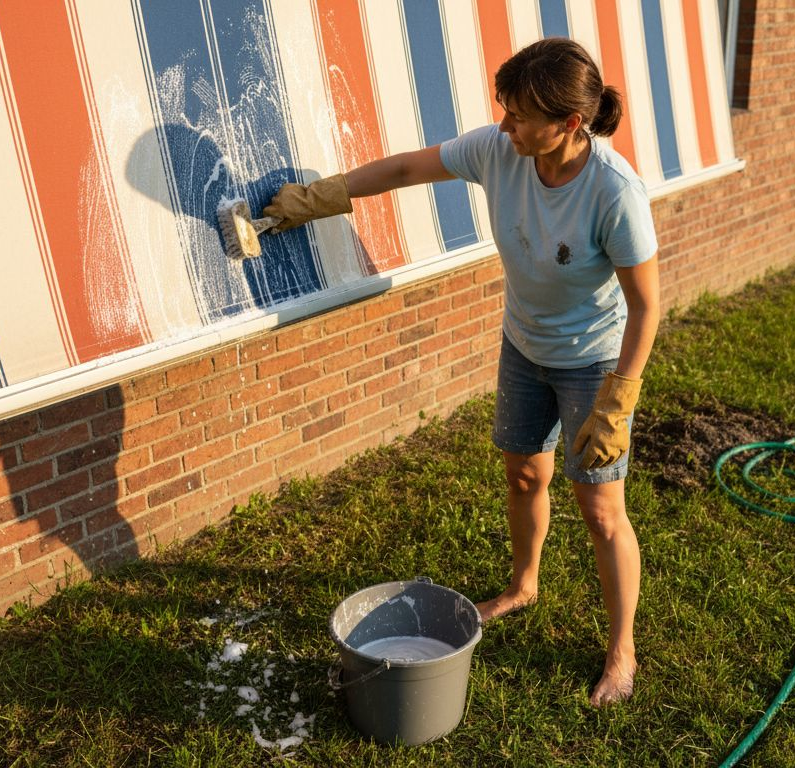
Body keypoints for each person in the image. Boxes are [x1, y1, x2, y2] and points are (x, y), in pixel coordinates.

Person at [263, 38, 660, 707]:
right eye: (503, 110)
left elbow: (647, 305)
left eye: (520, 116)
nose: (505, 127)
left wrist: (618, 402)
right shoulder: (499, 151)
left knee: (601, 510)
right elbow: (404, 169)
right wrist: (317, 197)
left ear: (567, 125)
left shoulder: (613, 192)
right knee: (525, 472)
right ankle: (523, 585)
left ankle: (622, 649)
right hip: (523, 347)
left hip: (593, 361)